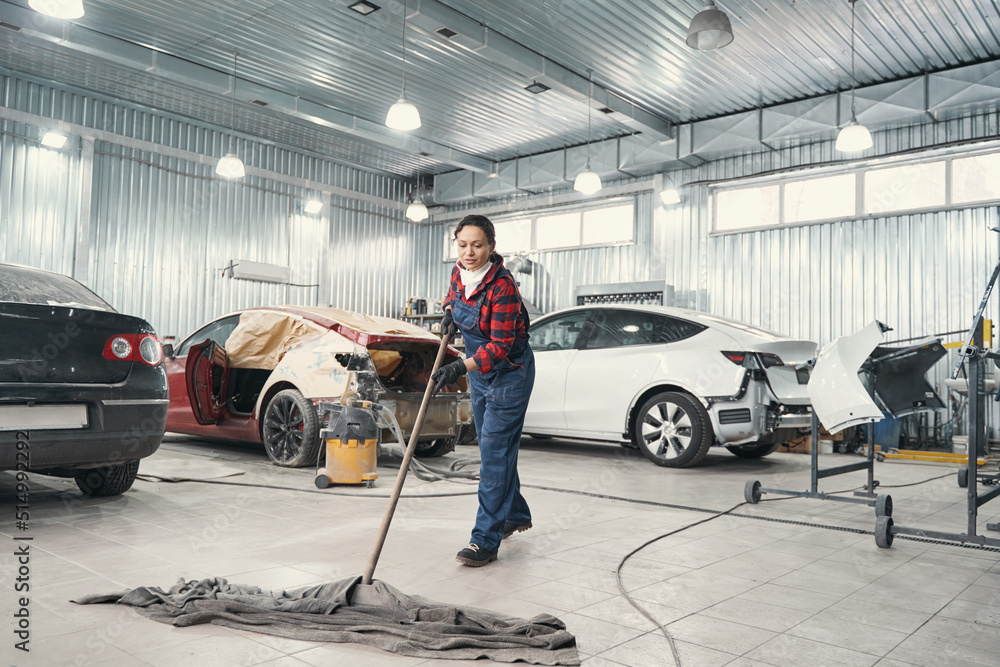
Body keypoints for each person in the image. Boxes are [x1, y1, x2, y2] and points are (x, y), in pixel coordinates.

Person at [431, 214, 535, 567]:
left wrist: (459, 366)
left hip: (509, 374)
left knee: (492, 452)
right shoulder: (459, 272)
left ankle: (484, 540)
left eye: (477, 245)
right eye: (462, 245)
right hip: (480, 375)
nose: (469, 252)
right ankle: (516, 514)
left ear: (491, 246)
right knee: (499, 448)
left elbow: (501, 345)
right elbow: (452, 295)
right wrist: (448, 311)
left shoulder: (503, 287)